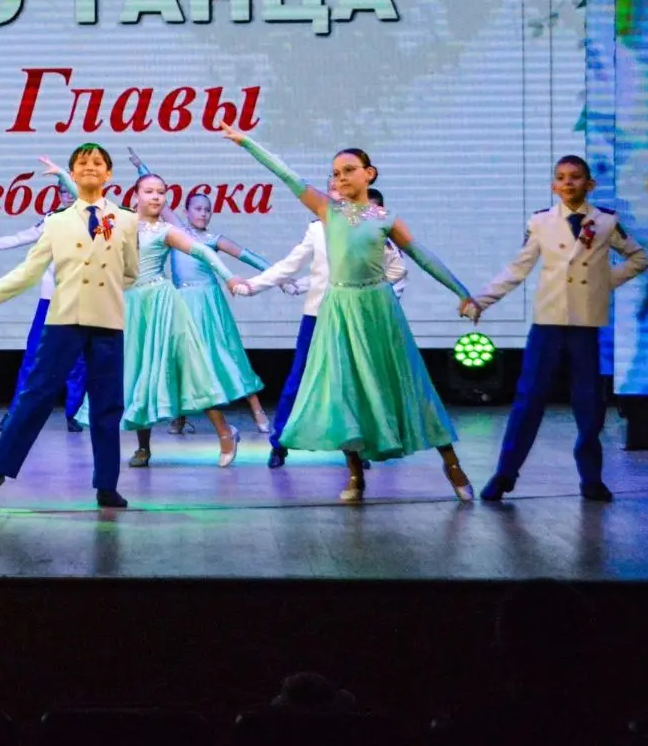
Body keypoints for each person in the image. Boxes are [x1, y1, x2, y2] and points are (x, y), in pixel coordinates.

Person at [226, 131, 477, 502]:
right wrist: (246, 142)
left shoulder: (383, 218)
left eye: (348, 170)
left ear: (369, 174)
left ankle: (451, 463)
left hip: (378, 310)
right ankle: (355, 473)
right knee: (346, 392)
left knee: (406, 382)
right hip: (339, 311)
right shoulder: (328, 211)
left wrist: (462, 292)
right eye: (336, 173)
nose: (341, 178)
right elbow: (287, 175)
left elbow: (422, 256)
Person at [469, 155, 648, 502]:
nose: (568, 183)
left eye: (576, 177)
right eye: (562, 177)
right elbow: (518, 268)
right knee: (529, 399)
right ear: (554, 185)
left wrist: (603, 283)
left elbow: (639, 258)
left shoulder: (606, 221)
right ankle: (505, 474)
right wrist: (482, 300)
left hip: (585, 324)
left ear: (589, 184)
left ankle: (591, 479)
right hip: (548, 323)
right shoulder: (541, 222)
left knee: (589, 403)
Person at [0, 143, 139, 508]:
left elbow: (130, 272)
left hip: (107, 321)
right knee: (35, 396)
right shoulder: (57, 222)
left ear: (108, 173)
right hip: (64, 319)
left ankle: (106, 485)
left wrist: (102, 291)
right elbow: (28, 271)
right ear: (72, 174)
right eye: (83, 162)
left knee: (108, 404)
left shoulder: (125, 219)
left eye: (98, 162)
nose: (90, 167)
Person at [237, 184, 407, 468]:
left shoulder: (368, 228)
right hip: (317, 315)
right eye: (332, 189)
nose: (337, 194)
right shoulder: (317, 229)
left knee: (353, 384)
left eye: (343, 189)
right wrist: (252, 286)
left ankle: (357, 449)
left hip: (353, 317)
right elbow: (290, 265)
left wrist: (369, 293)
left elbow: (397, 268)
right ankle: (279, 444)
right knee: (298, 381)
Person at [114, 172, 245, 468]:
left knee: (190, 368)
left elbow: (202, 251)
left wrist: (229, 277)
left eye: (161, 192)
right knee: (139, 373)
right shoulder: (121, 223)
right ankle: (143, 447)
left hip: (162, 304)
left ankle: (225, 433)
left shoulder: (165, 230)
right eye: (149, 191)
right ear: (135, 195)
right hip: (132, 304)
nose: (156, 196)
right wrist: (65, 177)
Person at [0, 157, 81, 433]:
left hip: (80, 300)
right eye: (63, 191)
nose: (68, 195)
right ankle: (16, 414)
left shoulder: (93, 219)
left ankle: (76, 414)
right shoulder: (51, 220)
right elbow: (17, 239)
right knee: (33, 359)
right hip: (50, 301)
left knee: (78, 361)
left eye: (72, 189)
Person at [151, 147, 274, 439]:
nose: (203, 213)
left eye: (207, 209)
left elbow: (248, 256)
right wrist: (139, 165)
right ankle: (180, 416)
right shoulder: (178, 232)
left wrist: (277, 275)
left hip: (209, 303)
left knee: (226, 353)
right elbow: (158, 197)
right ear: (186, 211)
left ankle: (257, 409)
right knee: (182, 358)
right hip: (182, 303)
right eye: (198, 208)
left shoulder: (214, 239)